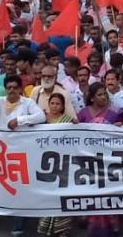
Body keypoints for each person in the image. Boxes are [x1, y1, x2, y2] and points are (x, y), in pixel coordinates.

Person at [38, 93, 76, 237]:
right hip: (44, 164)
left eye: (58, 104)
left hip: (63, 164)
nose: (54, 106)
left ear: (62, 106)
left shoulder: (68, 121)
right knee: (47, 196)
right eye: (52, 103)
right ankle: (45, 227)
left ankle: (62, 230)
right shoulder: (41, 119)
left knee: (62, 196)